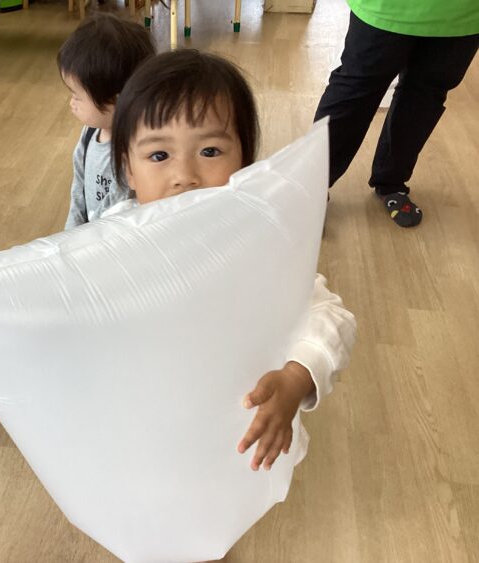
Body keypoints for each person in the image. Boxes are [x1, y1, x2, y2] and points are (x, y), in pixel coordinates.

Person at [109, 49, 357, 471]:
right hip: (149, 430)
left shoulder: (259, 242)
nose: (184, 176)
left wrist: (296, 377)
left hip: (237, 431)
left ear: (245, 162)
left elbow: (332, 317)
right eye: (159, 155)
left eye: (209, 151)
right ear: (128, 169)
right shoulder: (111, 240)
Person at [314, 1, 479, 227]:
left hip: (462, 15)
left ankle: (391, 181)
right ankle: (311, 186)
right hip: (388, 7)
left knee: (424, 97)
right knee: (354, 92)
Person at [57, 13, 155, 229]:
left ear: (116, 101)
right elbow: (79, 185)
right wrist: (70, 232)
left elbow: (117, 214)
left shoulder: (136, 151)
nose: (71, 103)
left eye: (76, 95)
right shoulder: (90, 132)